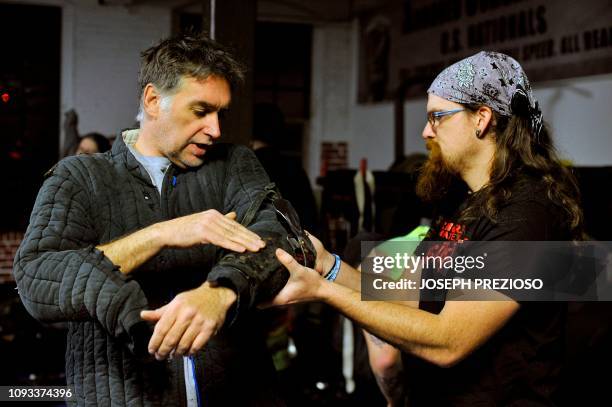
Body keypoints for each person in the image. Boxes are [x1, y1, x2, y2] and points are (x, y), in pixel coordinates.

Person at [270, 51, 583, 406]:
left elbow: (449, 341)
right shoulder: (461, 200)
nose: (425, 132)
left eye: (437, 117)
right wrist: (328, 266)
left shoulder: (527, 212)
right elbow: (411, 293)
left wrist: (324, 292)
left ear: (482, 119)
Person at [14, 34, 293, 406]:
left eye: (220, 113)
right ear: (152, 100)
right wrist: (161, 234)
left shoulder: (234, 166)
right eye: (200, 111)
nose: (216, 129)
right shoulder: (79, 177)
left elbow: (280, 239)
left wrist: (221, 291)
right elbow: (36, 277)